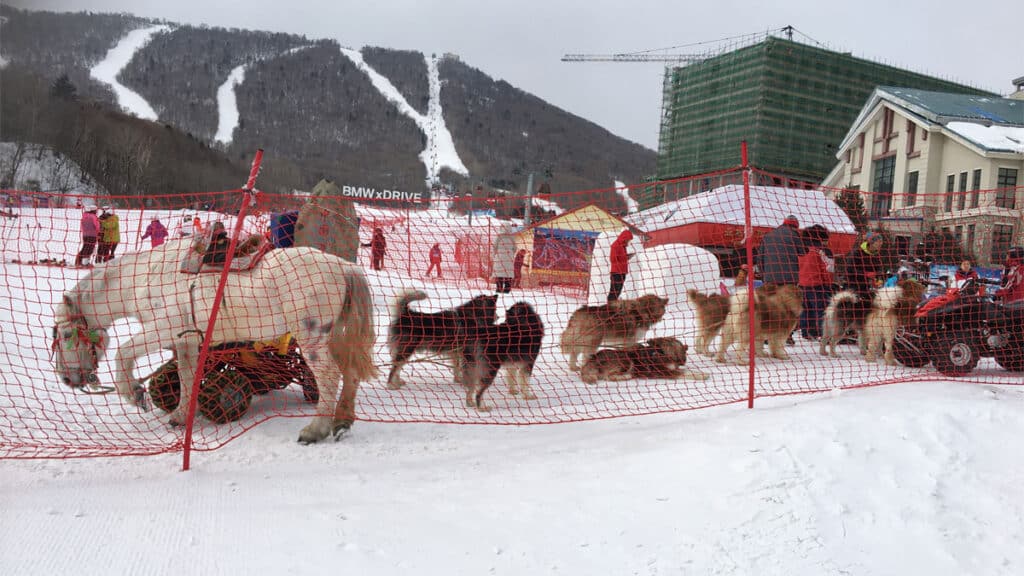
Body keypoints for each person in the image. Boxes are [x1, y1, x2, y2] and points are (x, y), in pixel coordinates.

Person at [798, 225, 834, 340]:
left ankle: (807, 332)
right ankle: (824, 334)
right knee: (822, 311)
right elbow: (828, 270)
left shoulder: (801, 249)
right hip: (818, 285)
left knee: (805, 310)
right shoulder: (822, 251)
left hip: (802, 284)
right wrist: (828, 284)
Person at [757, 215, 806, 287]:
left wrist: (764, 276)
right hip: (789, 279)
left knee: (773, 298)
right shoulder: (794, 235)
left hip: (770, 278)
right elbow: (803, 254)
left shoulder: (768, 235)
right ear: (795, 226)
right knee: (788, 298)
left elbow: (760, 259)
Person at [845, 231, 885, 298]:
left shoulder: (876, 256)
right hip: (852, 286)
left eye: (881, 241)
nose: (881, 243)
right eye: (878, 241)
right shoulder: (857, 253)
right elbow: (850, 269)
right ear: (871, 242)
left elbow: (879, 271)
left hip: (866, 288)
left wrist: (879, 279)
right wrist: (866, 274)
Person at [608, 228, 634, 302]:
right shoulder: (615, 245)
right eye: (628, 240)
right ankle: (609, 308)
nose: (629, 242)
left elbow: (621, 258)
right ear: (624, 238)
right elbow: (613, 259)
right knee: (614, 292)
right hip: (616, 273)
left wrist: (627, 256)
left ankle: (613, 307)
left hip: (622, 272)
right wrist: (624, 257)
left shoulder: (623, 246)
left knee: (618, 291)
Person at [492, 225, 516, 293]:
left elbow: (494, 247)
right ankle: (507, 289)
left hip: (500, 258)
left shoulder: (499, 237)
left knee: (499, 274)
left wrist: (494, 256)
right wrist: (511, 254)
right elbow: (515, 248)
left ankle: (499, 289)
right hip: (509, 258)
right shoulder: (512, 237)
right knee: (508, 274)